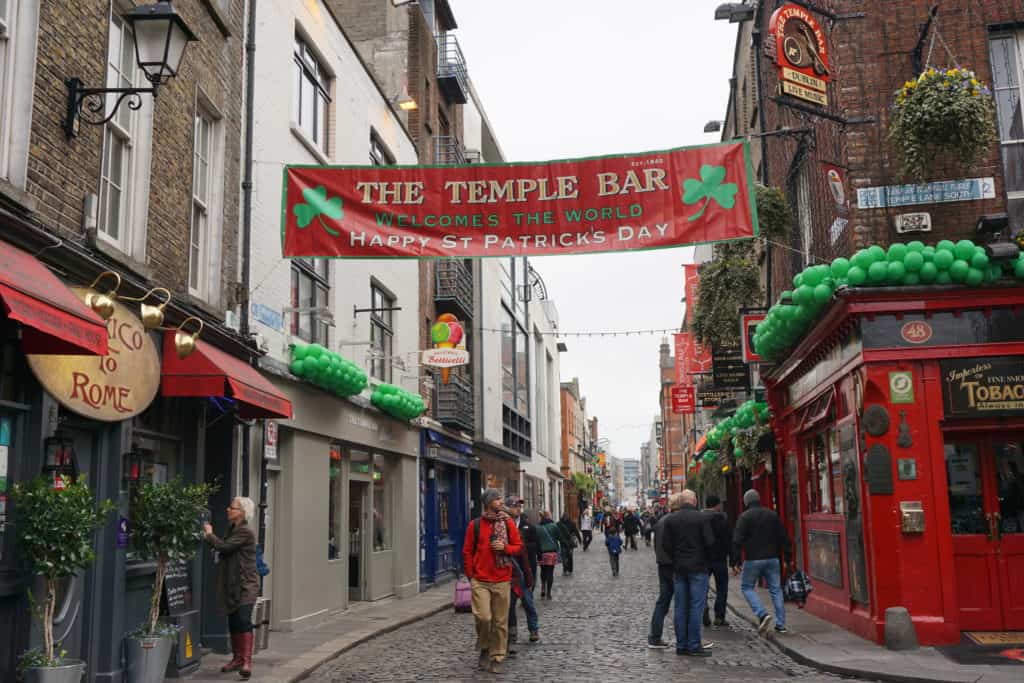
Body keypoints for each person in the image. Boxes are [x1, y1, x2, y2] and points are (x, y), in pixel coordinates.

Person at [462, 488, 523, 674]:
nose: (500, 501)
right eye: (497, 499)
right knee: (483, 617)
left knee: (500, 621)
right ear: (488, 503)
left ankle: (497, 656)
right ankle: (484, 646)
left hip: (502, 578)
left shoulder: (508, 523)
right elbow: (467, 551)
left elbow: (518, 547)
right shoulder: (476, 525)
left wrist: (505, 547)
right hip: (480, 579)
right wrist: (471, 575)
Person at [203, 497, 259, 679]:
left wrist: (209, 534)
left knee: (243, 620)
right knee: (233, 621)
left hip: (246, 584)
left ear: (241, 512)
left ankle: (247, 662)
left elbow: (225, 547)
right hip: (233, 584)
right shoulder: (232, 529)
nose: (227, 509)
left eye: (232, 507)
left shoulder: (245, 532)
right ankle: (237, 659)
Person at [662, 489, 715, 657]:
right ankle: (693, 645)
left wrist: (676, 558)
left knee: (680, 607)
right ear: (694, 500)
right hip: (698, 568)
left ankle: (681, 645)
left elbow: (666, 545)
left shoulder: (672, 519)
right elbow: (710, 542)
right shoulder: (702, 518)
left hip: (679, 568)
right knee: (696, 607)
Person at [732, 489, 792, 636]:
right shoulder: (772, 514)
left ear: (746, 502)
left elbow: (737, 541)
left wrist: (736, 561)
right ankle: (781, 624)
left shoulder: (744, 517)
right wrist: (788, 558)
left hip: (753, 559)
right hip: (773, 558)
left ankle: (762, 613)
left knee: (747, 587)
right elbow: (783, 537)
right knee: (776, 590)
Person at [503, 497, 540, 651]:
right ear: (508, 508)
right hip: (508, 571)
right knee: (510, 606)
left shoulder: (528, 527)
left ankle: (533, 630)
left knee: (528, 602)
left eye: (520, 506)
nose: (518, 508)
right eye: (515, 506)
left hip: (524, 570)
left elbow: (536, 546)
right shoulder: (502, 525)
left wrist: (522, 545)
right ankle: (511, 636)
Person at [648, 493, 683, 648]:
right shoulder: (677, 521)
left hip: (663, 565)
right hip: (675, 566)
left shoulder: (661, 521)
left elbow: (657, 544)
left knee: (662, 602)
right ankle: (684, 640)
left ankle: (655, 637)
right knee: (682, 603)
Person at [702, 495, 732, 628]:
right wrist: (733, 559)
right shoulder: (722, 520)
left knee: (702, 586)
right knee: (722, 588)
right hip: (720, 558)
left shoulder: (700, 519)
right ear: (717, 505)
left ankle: (703, 609)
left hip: (704, 559)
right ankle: (719, 616)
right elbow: (728, 540)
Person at [535, 510, 562, 599]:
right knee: (550, 572)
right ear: (549, 516)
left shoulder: (538, 527)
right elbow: (559, 537)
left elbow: (536, 540)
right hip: (551, 552)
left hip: (541, 552)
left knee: (543, 571)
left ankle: (543, 588)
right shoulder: (554, 526)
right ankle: (549, 593)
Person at [517, 510, 541, 591]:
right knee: (531, 574)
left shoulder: (517, 527)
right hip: (530, 556)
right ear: (527, 519)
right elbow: (537, 543)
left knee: (521, 574)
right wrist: (539, 555)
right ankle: (530, 590)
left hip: (519, 556)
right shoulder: (532, 527)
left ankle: (524, 593)